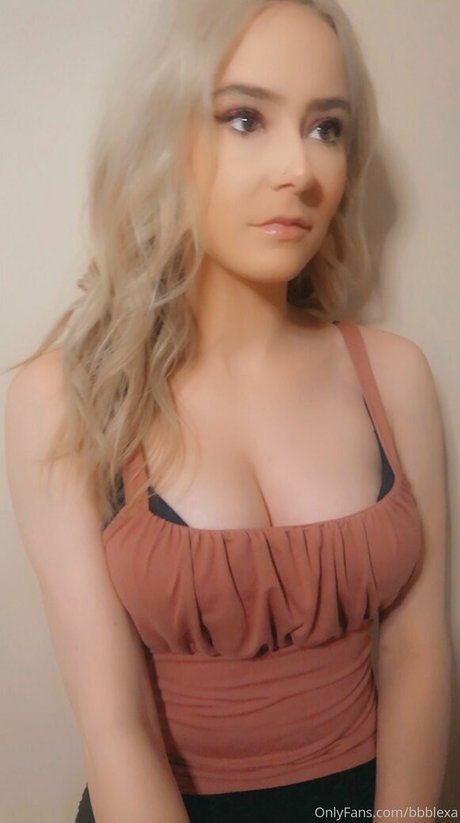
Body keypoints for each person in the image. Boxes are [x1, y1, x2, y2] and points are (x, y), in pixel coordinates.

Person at [4, 1, 452, 821]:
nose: (301, 170)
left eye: (326, 128)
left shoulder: (394, 377)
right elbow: (114, 724)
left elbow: (419, 650)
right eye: (245, 118)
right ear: (163, 136)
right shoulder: (62, 399)